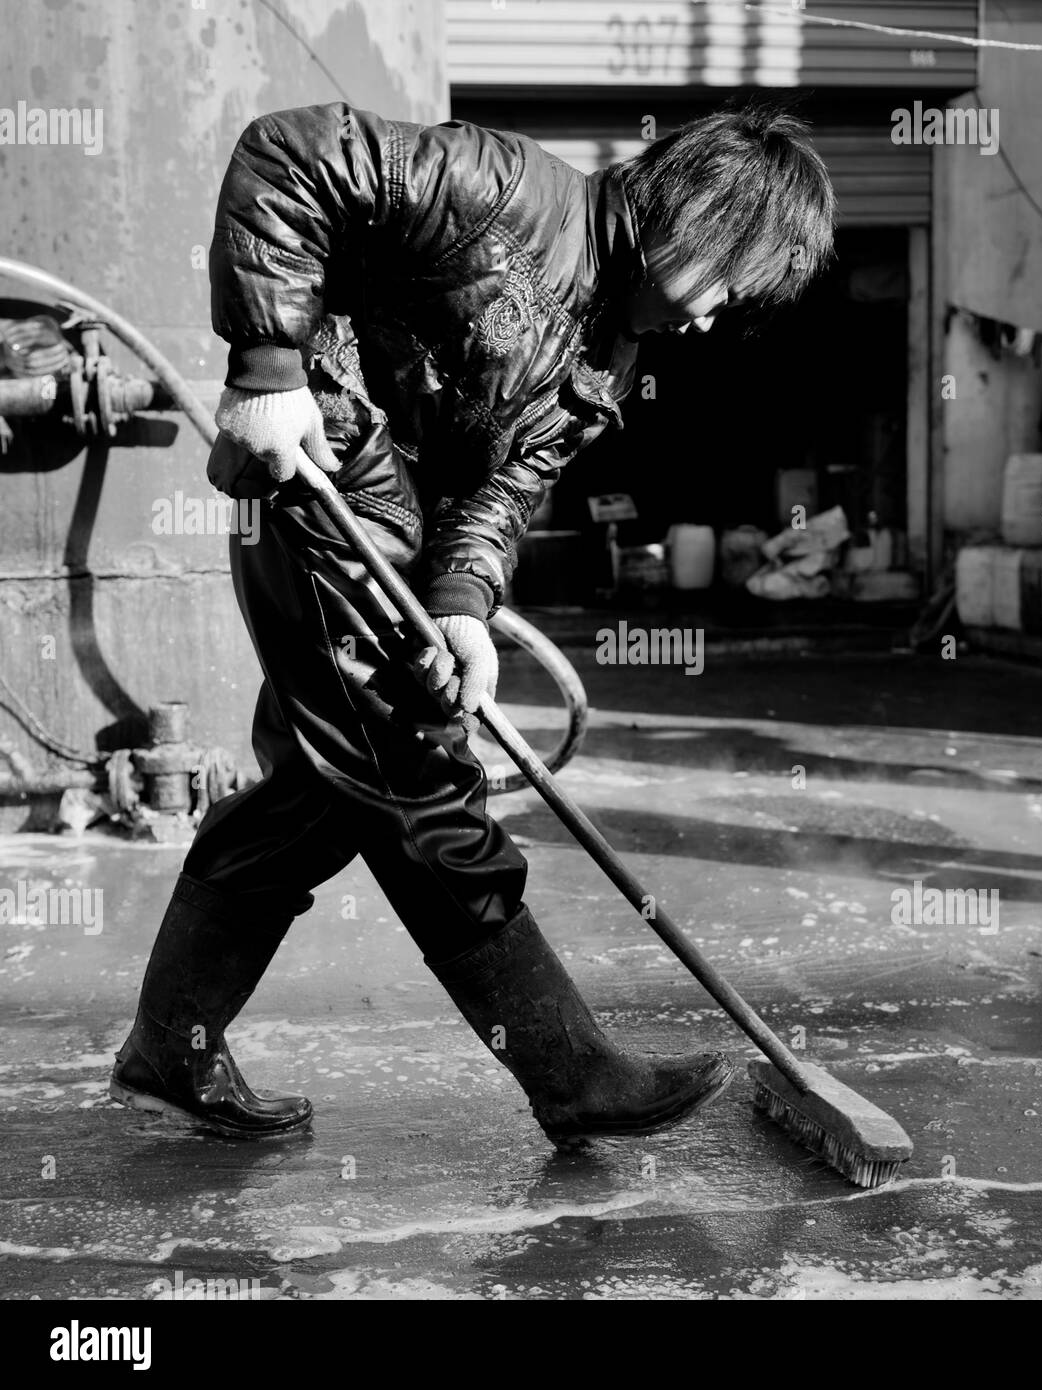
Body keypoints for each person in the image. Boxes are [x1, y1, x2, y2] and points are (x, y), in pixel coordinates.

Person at [110, 100, 835, 1140]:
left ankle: (167, 1050)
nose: (717, 315)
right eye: (729, 276)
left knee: (315, 798)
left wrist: (463, 606)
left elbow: (498, 493)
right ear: (700, 207)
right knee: (421, 786)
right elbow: (286, 153)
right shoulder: (502, 190)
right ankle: (571, 1072)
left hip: (401, 553)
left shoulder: (609, 356)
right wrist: (269, 367)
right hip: (325, 496)